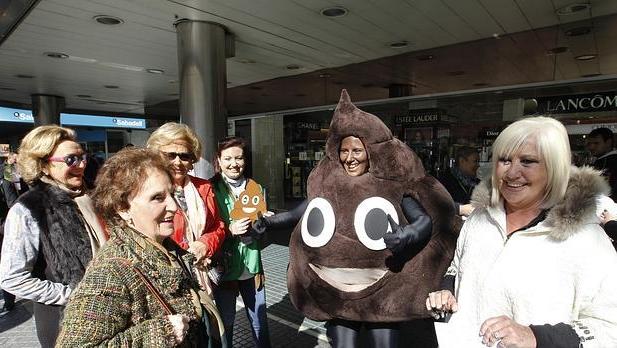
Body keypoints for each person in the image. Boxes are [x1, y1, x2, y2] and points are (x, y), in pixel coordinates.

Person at [253, 90, 458, 348]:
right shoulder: (330, 186)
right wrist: (271, 222)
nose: (349, 158)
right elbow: (305, 210)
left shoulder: (390, 186)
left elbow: (423, 220)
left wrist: (408, 235)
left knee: (384, 343)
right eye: (344, 151)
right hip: (338, 291)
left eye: (357, 151)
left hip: (382, 289)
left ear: (369, 152)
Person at [426, 116, 617, 348]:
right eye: (504, 160)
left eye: (527, 161)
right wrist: (447, 291)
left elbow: (609, 328)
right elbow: (457, 268)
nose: (512, 172)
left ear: (554, 168)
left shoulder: (586, 239)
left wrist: (536, 337)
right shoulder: (479, 219)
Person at [56, 147, 226, 347]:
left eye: (171, 194)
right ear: (122, 208)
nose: (173, 206)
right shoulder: (111, 271)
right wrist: (160, 333)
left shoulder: (166, 249)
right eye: (157, 198)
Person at [0, 125, 107, 347]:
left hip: (110, 313)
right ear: (44, 165)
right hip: (65, 323)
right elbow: (11, 278)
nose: (82, 164)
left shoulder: (94, 197)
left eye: (82, 156)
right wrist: (72, 293)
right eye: (71, 160)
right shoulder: (28, 208)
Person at [146, 122, 226, 293]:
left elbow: (217, 226)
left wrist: (205, 244)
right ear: (156, 156)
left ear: (192, 161)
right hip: (162, 276)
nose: (178, 162)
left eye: (184, 156)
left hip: (200, 273)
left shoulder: (204, 187)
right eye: (170, 155)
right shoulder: (143, 190)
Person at [211, 136, 272, 348]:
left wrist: (265, 224)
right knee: (225, 323)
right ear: (218, 160)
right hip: (224, 270)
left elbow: (263, 234)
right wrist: (229, 230)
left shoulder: (256, 187)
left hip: (252, 267)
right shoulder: (210, 189)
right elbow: (204, 230)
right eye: (227, 158)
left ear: (245, 160)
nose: (234, 164)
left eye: (238, 158)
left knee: (259, 323)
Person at [438, 146, 480, 216]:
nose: (478, 165)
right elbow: (437, 204)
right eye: (475, 161)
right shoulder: (445, 181)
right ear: (462, 161)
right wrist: (460, 209)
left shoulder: (479, 184)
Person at [587, 127, 617, 199]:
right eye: (589, 143)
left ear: (608, 142)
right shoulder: (603, 161)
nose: (591, 147)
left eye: (596, 143)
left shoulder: (610, 162)